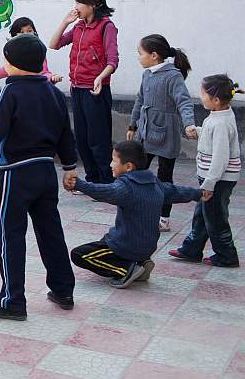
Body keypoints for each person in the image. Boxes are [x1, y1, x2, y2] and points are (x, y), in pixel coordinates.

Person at [0, 34, 77, 320]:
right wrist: (70, 166)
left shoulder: (10, 91)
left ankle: (12, 300)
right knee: (50, 231)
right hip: (45, 172)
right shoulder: (54, 92)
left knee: (9, 235)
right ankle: (63, 289)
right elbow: (66, 132)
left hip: (17, 173)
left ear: (12, 63)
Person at [65, 141, 204, 287]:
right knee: (105, 241)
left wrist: (78, 184)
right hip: (147, 247)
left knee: (79, 254)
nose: (111, 164)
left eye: (114, 160)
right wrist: (198, 194)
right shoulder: (155, 183)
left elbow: (103, 192)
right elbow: (176, 192)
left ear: (129, 167)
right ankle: (140, 263)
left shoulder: (126, 187)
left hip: (126, 246)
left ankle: (125, 269)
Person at [48, 0, 119, 184]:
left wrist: (100, 78)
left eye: (80, 2)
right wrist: (65, 22)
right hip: (77, 88)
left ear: (93, 5)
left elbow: (113, 60)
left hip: (96, 90)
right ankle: (92, 178)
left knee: (98, 139)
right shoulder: (78, 27)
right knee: (81, 138)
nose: (76, 7)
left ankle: (105, 182)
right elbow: (53, 44)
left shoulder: (106, 26)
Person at [127, 34, 197, 231]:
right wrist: (132, 125)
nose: (139, 57)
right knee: (138, 173)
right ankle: (138, 211)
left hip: (167, 133)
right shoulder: (147, 74)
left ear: (154, 55)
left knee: (164, 177)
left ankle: (163, 218)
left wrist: (189, 124)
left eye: (140, 53)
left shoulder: (172, 76)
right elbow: (140, 101)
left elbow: (184, 101)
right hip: (145, 131)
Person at [170, 74, 241, 267]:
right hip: (213, 178)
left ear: (216, 100)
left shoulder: (221, 123)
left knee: (216, 218)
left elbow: (220, 158)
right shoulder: (219, 115)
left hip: (218, 180)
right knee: (202, 213)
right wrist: (199, 131)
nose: (200, 97)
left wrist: (210, 183)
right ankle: (191, 249)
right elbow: (213, 137)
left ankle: (226, 255)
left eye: (203, 94)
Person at [0, 17, 63, 84]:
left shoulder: (38, 51)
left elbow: (44, 72)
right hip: (18, 87)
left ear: (35, 32)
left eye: (29, 31)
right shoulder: (12, 51)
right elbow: (7, 69)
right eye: (21, 32)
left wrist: (52, 77)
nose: (26, 34)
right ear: (14, 36)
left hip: (35, 88)